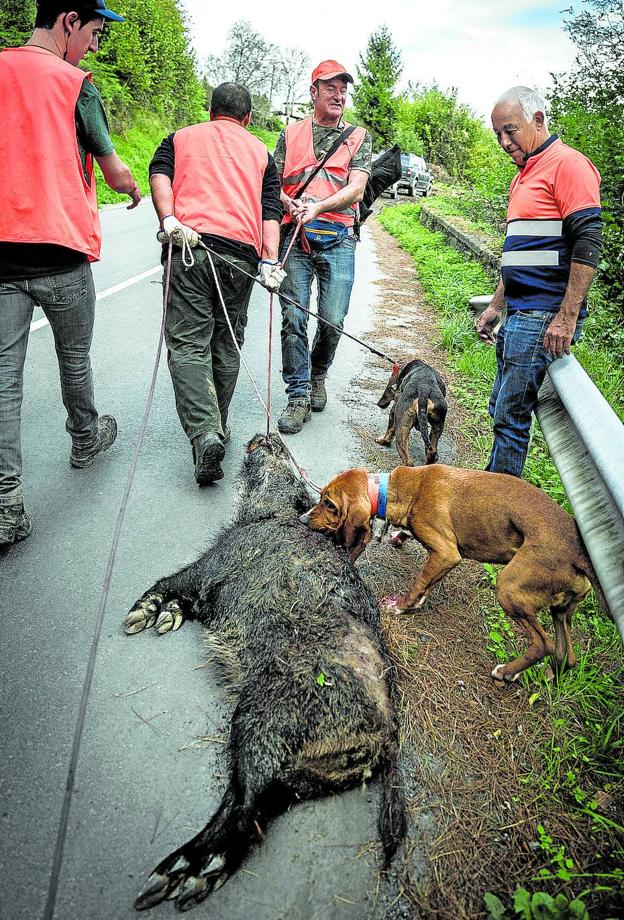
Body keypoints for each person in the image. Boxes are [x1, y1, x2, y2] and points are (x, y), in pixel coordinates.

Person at [0, 0, 141, 547]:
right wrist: (131, 189)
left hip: (3, 258)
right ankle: (85, 438)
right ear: (68, 22)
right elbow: (112, 168)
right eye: (95, 33)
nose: (95, 47)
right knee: (73, 358)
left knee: (4, 383)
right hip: (61, 254)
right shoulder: (75, 84)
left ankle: (6, 503)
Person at [149, 82, 284, 485]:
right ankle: (215, 430)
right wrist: (270, 261)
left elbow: (160, 174)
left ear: (211, 112)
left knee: (189, 342)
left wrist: (169, 218)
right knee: (226, 343)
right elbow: (271, 210)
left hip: (191, 248)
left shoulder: (181, 137)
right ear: (247, 119)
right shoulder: (261, 152)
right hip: (240, 259)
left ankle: (206, 433)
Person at [476, 86, 602, 478]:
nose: (503, 141)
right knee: (500, 407)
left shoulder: (568, 165)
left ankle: (496, 511)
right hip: (520, 311)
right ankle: (490, 490)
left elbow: (589, 241)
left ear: (538, 120)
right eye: (497, 133)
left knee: (511, 417)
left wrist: (566, 317)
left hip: (542, 315)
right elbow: (518, 254)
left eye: (510, 130)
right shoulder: (523, 177)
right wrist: (497, 305)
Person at [273, 60, 373, 435]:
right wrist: (289, 204)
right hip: (295, 238)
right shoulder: (290, 133)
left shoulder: (357, 137)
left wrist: (317, 207)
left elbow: (356, 188)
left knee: (332, 319)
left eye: (343, 89)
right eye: (330, 88)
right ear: (313, 92)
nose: (339, 95)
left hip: (340, 239)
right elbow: (274, 182)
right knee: (294, 318)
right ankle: (297, 395)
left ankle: (318, 373)